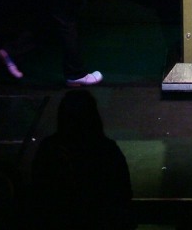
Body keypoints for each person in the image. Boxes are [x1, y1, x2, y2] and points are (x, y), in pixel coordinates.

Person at [29, 89, 135, 228]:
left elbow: (39, 193)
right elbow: (123, 193)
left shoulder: (49, 147)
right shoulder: (107, 149)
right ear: (93, 116)